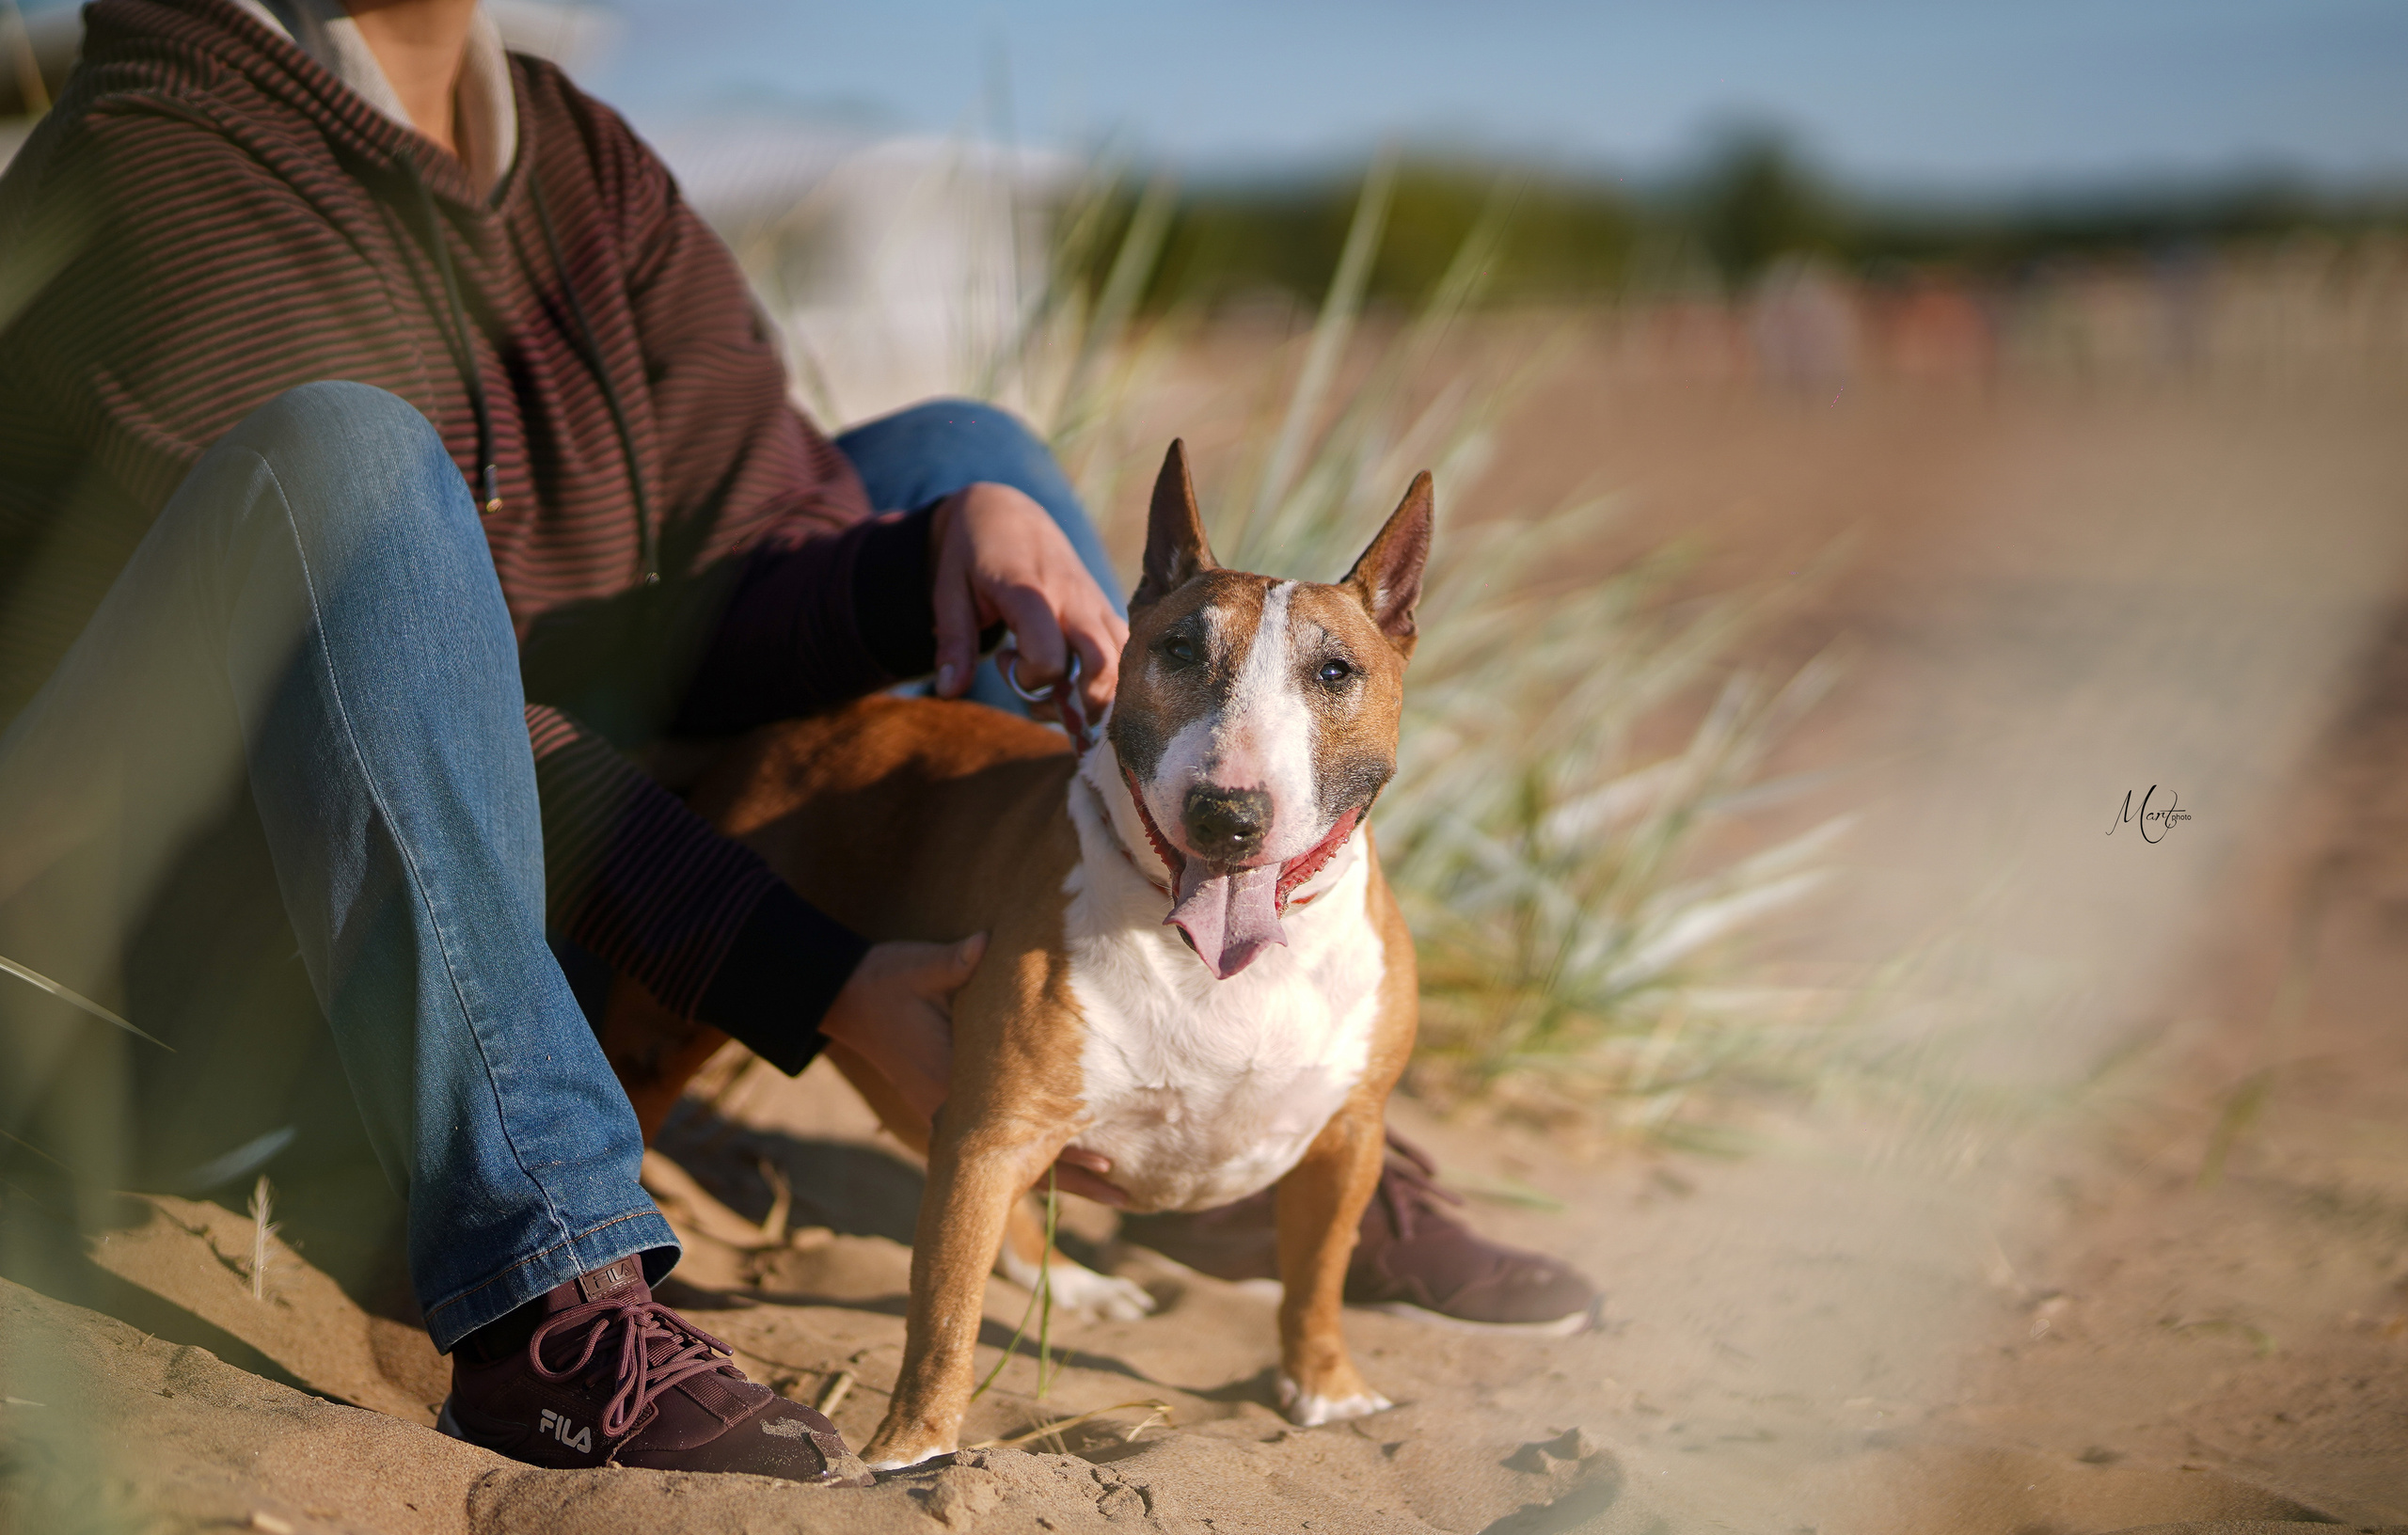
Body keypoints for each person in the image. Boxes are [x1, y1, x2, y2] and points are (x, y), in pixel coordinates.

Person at [0, 0, 1594, 1482]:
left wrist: (935, 555)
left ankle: (1234, 1090)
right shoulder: (171, 152)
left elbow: (711, 577)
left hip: (512, 818)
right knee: (347, 471)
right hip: (212, 965)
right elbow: (410, 688)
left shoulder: (568, 153)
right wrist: (800, 974)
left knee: (968, 469)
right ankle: (541, 1281)